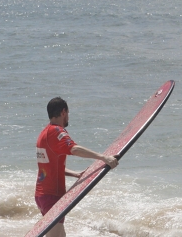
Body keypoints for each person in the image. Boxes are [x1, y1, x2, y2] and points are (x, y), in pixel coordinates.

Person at [35, 97, 119, 237]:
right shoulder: (57, 131)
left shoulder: (43, 134)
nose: (68, 117)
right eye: (68, 113)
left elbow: (48, 167)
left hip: (42, 195)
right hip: (51, 197)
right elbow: (74, 149)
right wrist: (104, 158)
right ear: (63, 112)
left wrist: (75, 174)